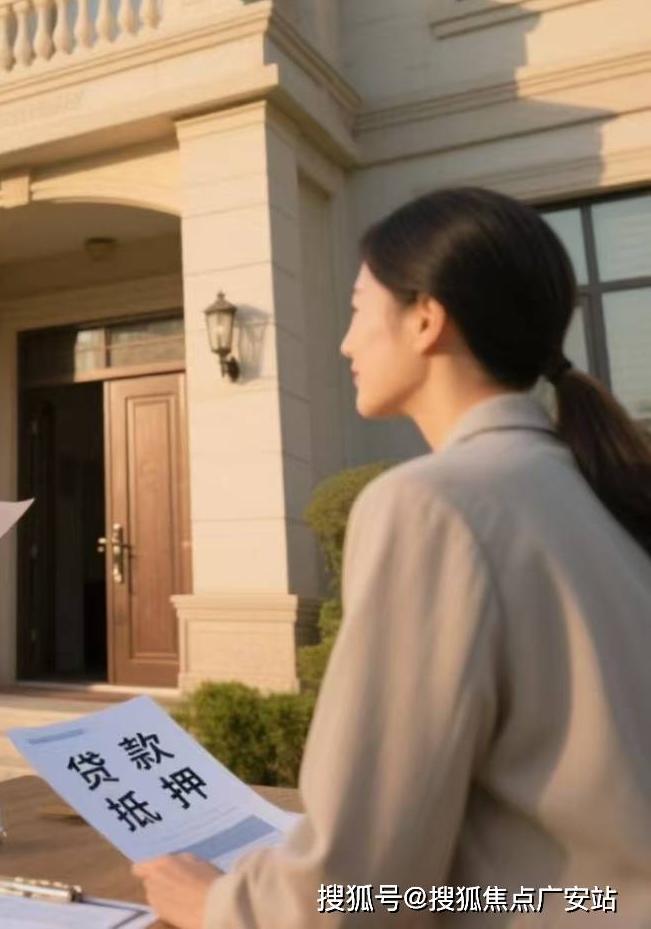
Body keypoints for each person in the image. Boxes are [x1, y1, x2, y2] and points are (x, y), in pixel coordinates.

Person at [135, 187, 651, 926]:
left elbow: (357, 883)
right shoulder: (594, 490)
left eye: (355, 307)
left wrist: (218, 904)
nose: (345, 342)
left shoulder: (433, 503)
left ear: (426, 318)